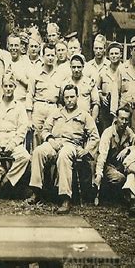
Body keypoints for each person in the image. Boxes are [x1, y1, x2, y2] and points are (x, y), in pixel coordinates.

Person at [27, 84, 100, 214]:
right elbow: (45, 130)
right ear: (63, 98)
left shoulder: (84, 115)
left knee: (64, 155)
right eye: (66, 97)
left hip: (71, 145)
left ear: (77, 97)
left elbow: (95, 137)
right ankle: (36, 192)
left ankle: (65, 198)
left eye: (72, 97)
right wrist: (50, 140)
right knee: (38, 151)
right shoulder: (56, 113)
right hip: (54, 143)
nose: (69, 100)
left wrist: (86, 150)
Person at [0, 74, 30, 195]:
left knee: (25, 157)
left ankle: (7, 181)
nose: (8, 89)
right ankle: (2, 175)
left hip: (13, 140)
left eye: (11, 86)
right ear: (2, 87)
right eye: (6, 86)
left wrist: (13, 143)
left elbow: (22, 127)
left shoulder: (19, 106)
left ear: (15, 87)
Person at [94, 107, 135, 196]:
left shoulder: (128, 132)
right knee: (121, 179)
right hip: (109, 166)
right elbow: (102, 156)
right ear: (116, 118)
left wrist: (128, 149)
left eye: (126, 120)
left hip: (121, 166)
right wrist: (99, 174)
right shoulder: (108, 133)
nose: (124, 122)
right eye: (121, 118)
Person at [26, 46, 58, 147]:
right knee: (36, 136)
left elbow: (62, 96)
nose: (50, 58)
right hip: (39, 108)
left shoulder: (60, 74)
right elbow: (29, 95)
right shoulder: (35, 74)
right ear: (43, 56)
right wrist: (29, 118)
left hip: (53, 108)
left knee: (52, 136)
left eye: (52, 55)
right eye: (48, 55)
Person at [60, 54, 100, 121]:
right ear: (70, 67)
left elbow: (96, 104)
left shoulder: (89, 83)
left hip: (85, 119)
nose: (76, 70)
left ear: (83, 67)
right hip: (69, 119)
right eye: (74, 67)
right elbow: (60, 103)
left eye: (79, 67)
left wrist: (91, 121)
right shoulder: (65, 83)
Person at [97, 41, 123, 132]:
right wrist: (101, 96)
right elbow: (97, 88)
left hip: (121, 106)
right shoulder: (103, 71)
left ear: (121, 55)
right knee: (106, 131)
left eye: (116, 53)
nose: (114, 56)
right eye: (111, 54)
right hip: (106, 107)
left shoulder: (124, 70)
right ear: (108, 55)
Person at [5, 34, 31, 107]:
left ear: (20, 46)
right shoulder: (5, 60)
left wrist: (19, 78)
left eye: (16, 45)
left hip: (22, 103)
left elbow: (31, 84)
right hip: (7, 104)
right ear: (8, 46)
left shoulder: (26, 61)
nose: (13, 48)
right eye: (11, 45)